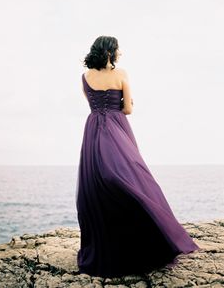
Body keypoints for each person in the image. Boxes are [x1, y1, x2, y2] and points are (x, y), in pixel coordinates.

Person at [76, 35, 200, 278]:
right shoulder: (121, 73)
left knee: (97, 179)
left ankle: (108, 240)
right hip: (116, 127)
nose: (120, 52)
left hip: (93, 129)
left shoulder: (85, 77)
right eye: (118, 49)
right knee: (133, 175)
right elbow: (128, 109)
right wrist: (126, 101)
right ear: (110, 52)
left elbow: (91, 104)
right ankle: (151, 233)